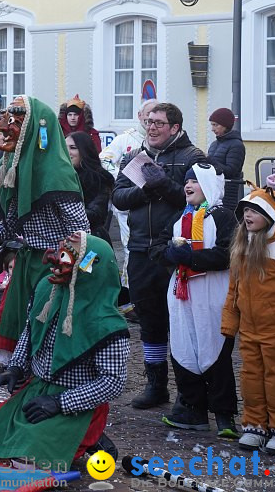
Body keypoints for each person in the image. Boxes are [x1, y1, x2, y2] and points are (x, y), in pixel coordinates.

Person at [0, 231, 128, 472]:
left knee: (27, 464)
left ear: (87, 266)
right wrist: (14, 367)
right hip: (37, 389)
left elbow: (112, 382)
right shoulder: (46, 290)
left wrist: (60, 403)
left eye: (67, 258)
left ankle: (91, 436)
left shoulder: (108, 324)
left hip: (76, 402)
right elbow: (30, 332)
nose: (57, 264)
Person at [0, 96, 89, 361]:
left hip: (52, 265)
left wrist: (70, 269)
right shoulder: (20, 167)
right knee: (18, 330)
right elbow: (15, 219)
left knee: (45, 335)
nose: (3, 129)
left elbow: (81, 230)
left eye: (16, 122)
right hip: (27, 260)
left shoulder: (57, 173)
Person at [112, 101, 207, 409]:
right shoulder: (135, 157)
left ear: (175, 128)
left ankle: (188, 391)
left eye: (159, 123)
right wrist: (145, 191)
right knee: (150, 321)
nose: (151, 127)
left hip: (174, 252)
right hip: (140, 250)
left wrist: (165, 185)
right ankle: (156, 385)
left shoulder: (192, 157)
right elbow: (118, 197)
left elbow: (200, 199)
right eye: (149, 122)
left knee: (180, 323)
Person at [223, 188, 275, 453]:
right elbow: (234, 290)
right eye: (246, 210)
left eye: (255, 210)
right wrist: (230, 322)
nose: (248, 215)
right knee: (251, 376)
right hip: (250, 329)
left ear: (271, 216)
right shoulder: (243, 248)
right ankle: (255, 425)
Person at [161, 163, 238, 438]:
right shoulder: (180, 217)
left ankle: (224, 415)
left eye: (195, 180)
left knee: (214, 349)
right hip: (182, 293)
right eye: (186, 181)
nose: (188, 185)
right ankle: (191, 410)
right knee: (184, 348)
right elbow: (159, 247)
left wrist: (191, 258)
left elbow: (226, 254)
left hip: (211, 291)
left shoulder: (223, 216)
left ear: (209, 184)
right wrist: (169, 255)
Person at [99, 98, 159, 248]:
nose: (151, 119)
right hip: (128, 202)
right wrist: (121, 176)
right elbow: (104, 159)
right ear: (139, 115)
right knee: (129, 247)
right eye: (148, 114)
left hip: (155, 203)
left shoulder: (164, 140)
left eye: (155, 116)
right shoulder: (124, 139)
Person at [66, 131, 114, 244]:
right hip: (61, 240)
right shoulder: (58, 176)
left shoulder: (99, 178)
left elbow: (97, 214)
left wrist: (63, 213)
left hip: (91, 240)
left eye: (73, 148)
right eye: (64, 147)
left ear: (84, 151)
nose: (67, 152)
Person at [206, 107, 245, 204]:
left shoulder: (236, 145)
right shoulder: (214, 144)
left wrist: (208, 159)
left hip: (227, 194)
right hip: (212, 191)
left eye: (216, 125)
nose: (212, 129)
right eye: (212, 125)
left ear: (225, 126)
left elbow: (231, 171)